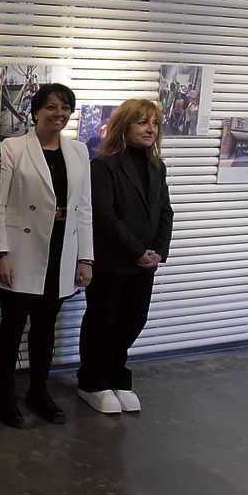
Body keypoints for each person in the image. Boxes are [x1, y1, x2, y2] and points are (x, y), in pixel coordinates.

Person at [0, 84, 94, 428]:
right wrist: (0, 253)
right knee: (12, 326)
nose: (59, 114)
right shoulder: (13, 148)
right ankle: (3, 394)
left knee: (45, 328)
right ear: (35, 112)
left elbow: (84, 209)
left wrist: (85, 258)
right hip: (21, 251)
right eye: (50, 107)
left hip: (62, 249)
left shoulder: (78, 152)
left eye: (65, 108)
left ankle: (38, 391)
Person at [77, 99, 173, 414]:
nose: (150, 129)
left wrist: (158, 251)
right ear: (125, 125)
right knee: (103, 321)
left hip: (145, 264)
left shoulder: (157, 166)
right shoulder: (103, 165)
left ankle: (117, 376)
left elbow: (164, 211)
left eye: (155, 123)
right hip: (112, 261)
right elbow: (104, 216)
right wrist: (136, 251)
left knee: (133, 320)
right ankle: (92, 382)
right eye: (142, 122)